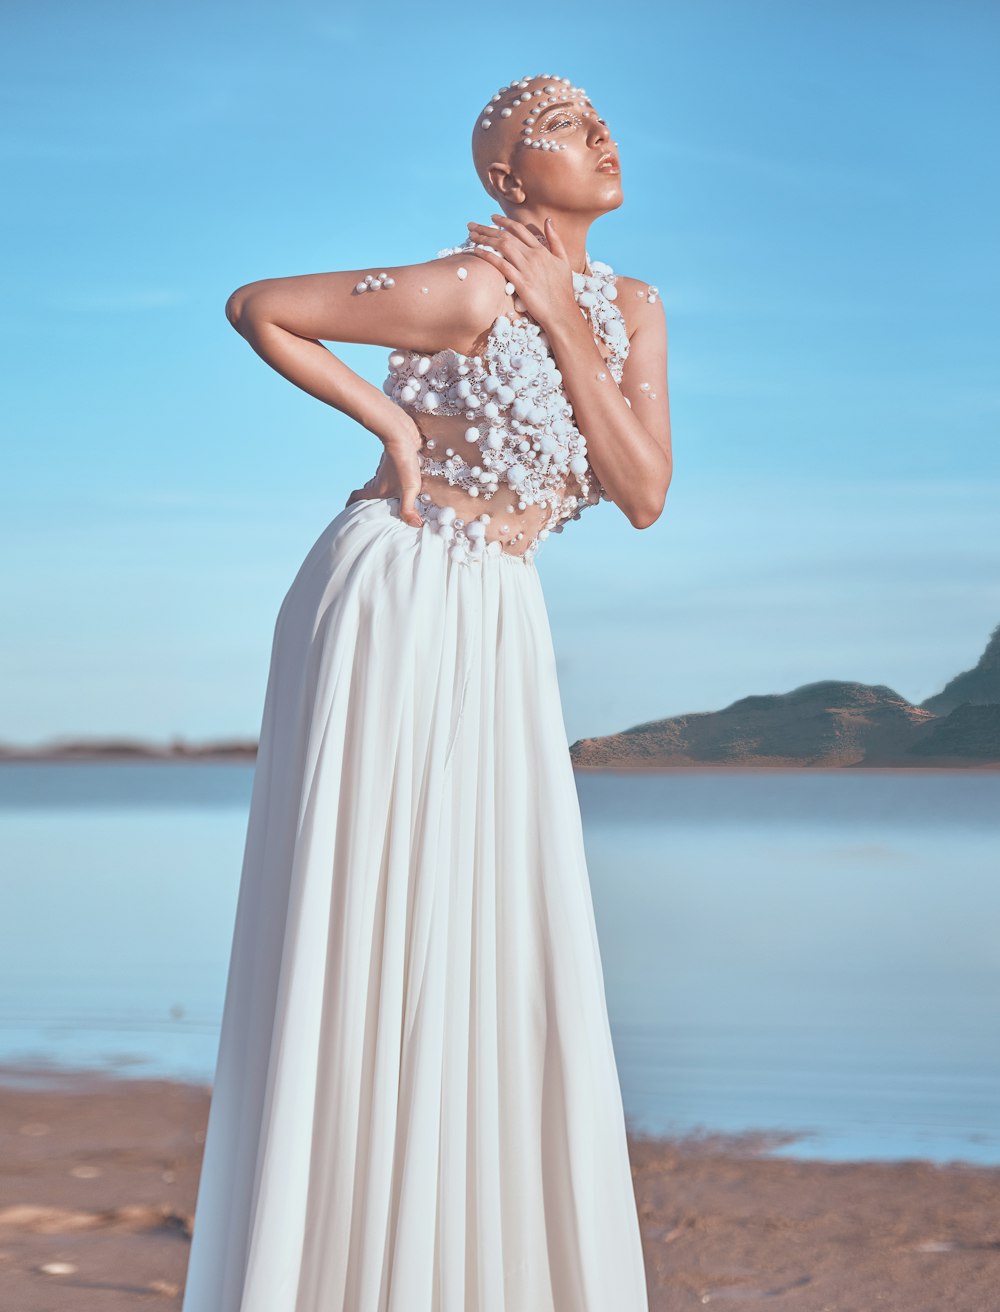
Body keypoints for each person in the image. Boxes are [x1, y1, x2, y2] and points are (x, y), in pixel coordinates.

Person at [181, 70, 671, 1312]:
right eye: (562, 130)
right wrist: (388, 430)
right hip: (396, 592)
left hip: (500, 608)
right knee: (381, 911)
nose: (598, 136)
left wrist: (565, 316)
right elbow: (261, 307)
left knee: (490, 926)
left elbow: (644, 491)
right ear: (506, 179)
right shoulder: (465, 285)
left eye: (599, 119)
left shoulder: (634, 306)